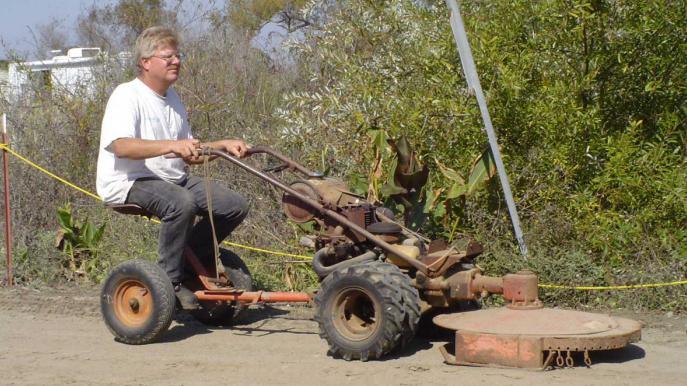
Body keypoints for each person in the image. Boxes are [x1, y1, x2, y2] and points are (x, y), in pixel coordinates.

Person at [96, 26, 249, 310]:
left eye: (178, 56)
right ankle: (170, 282)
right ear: (145, 62)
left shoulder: (174, 99)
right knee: (182, 203)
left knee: (234, 205)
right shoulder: (126, 95)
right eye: (168, 57)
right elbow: (121, 146)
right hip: (129, 180)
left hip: (171, 179)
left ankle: (193, 260)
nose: (176, 61)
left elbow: (190, 156)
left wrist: (222, 146)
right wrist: (171, 145)